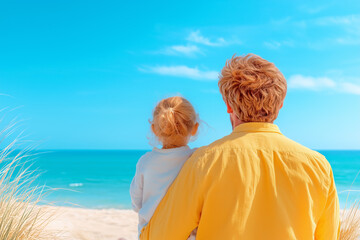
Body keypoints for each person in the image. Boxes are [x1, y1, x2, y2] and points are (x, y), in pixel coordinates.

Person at [140, 54, 340, 240]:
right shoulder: (318, 166)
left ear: (228, 105)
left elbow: (160, 236)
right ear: (280, 104)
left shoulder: (204, 161)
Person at [130, 96, 199, 239]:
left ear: (154, 129)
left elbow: (137, 204)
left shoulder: (145, 162)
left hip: (151, 234)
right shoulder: (198, 158)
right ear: (195, 128)